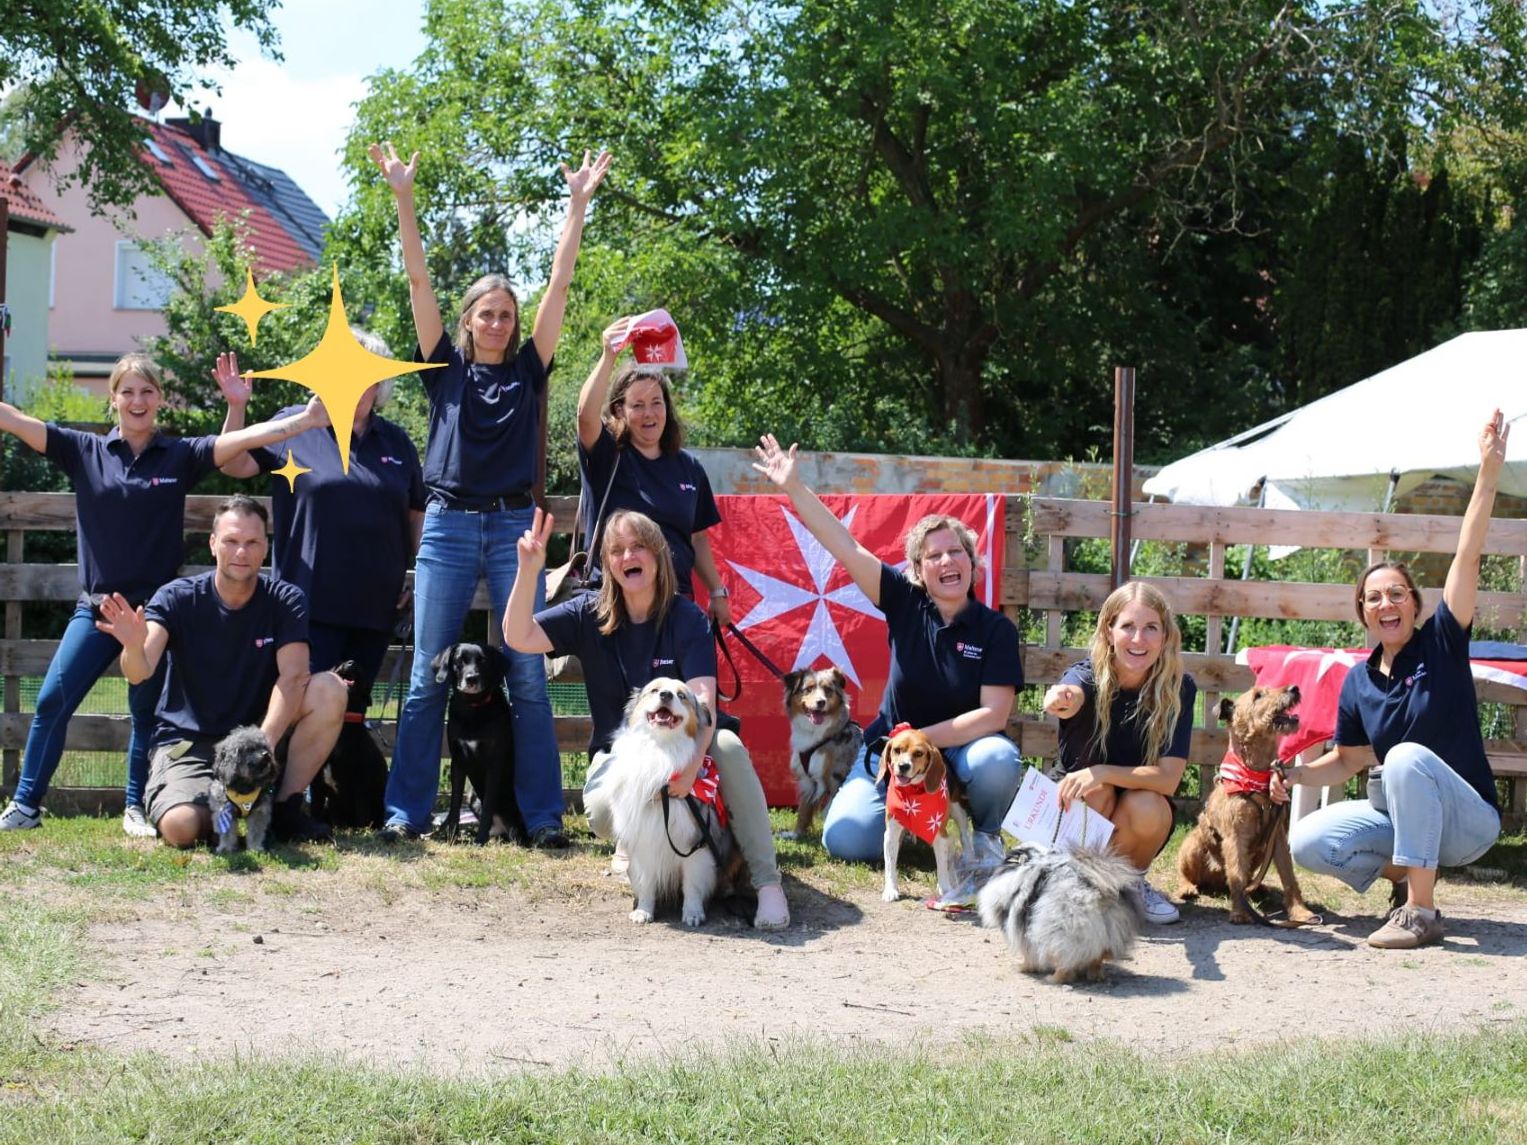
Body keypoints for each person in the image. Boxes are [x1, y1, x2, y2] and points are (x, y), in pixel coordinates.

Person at [369, 140, 611, 845]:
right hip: (446, 526)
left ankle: (540, 817)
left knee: (529, 676)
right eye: (488, 313)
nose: (500, 322)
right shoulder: (441, 368)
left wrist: (576, 206)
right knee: (425, 677)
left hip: (515, 531)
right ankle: (404, 813)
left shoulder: (531, 370)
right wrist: (404, 199)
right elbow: (418, 284)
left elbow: (560, 284)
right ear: (469, 320)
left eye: (507, 312)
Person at [0, 353, 288, 837]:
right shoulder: (82, 450)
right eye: (128, 391)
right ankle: (26, 805)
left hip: (156, 615)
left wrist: (276, 415)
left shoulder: (179, 455)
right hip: (96, 611)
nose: (138, 400)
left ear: (159, 400)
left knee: (145, 714)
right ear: (113, 398)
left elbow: (237, 445)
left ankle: (135, 806)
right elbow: (14, 419)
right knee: (52, 701)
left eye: (148, 391)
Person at [752, 434, 1024, 902]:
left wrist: (920, 745)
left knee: (997, 759)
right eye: (933, 555)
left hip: (957, 754)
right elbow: (845, 546)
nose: (946, 562)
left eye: (955, 552)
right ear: (919, 570)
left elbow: (994, 717)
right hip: (889, 752)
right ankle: (916, 822)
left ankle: (984, 838)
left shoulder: (996, 629)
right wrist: (794, 487)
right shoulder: (903, 600)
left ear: (973, 562)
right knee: (845, 839)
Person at [1275, 411, 1508, 950]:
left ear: (1415, 604)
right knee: (1311, 840)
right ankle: (1408, 871)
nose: (1386, 603)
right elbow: (1351, 759)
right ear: (1363, 612)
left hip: (1469, 819)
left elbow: (1468, 553)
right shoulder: (1358, 680)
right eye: (1374, 597)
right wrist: (1294, 776)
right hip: (1406, 819)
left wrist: (1488, 472)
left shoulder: (1442, 643)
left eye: (1397, 594)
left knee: (1402, 755)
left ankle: (1420, 912)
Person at [502, 508, 790, 929]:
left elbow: (704, 702)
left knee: (728, 745)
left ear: (657, 555)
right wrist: (528, 571)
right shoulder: (587, 612)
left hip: (692, 744)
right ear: (606, 563)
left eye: (638, 546)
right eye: (616, 550)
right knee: (601, 811)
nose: (627, 556)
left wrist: (691, 770)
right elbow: (517, 637)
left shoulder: (687, 617)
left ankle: (767, 885)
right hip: (623, 751)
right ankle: (635, 844)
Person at [92, 495, 346, 847]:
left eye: (252, 542)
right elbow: (138, 672)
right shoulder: (175, 597)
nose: (241, 552)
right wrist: (133, 647)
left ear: (264, 549)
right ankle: (233, 808)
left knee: (329, 688)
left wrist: (261, 750)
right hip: (190, 743)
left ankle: (284, 808)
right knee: (180, 828)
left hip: (254, 736)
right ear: (213, 544)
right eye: (231, 541)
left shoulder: (287, 599)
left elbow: (294, 677)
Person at [219, 330, 426, 715]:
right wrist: (236, 407)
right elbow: (231, 463)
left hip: (375, 609)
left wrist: (422, 576)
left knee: (350, 719)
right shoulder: (295, 425)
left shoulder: (397, 443)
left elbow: (417, 517)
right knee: (299, 712)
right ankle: (292, 780)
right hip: (306, 606)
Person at [1043, 581, 1198, 925]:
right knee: (1097, 791)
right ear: (1109, 632)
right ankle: (1072, 885)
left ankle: (1128, 886)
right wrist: (1059, 699)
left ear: (1165, 636)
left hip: (1133, 813)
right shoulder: (1085, 677)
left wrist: (1102, 771)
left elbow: (1169, 779)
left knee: (1147, 805)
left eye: (1150, 628)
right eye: (1127, 626)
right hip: (1074, 807)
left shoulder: (1179, 688)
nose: (1139, 639)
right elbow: (1068, 694)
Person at [574, 318, 730, 624]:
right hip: (617, 604)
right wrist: (609, 356)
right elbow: (585, 417)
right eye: (638, 405)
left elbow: (696, 539)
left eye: (656, 403)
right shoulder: (607, 455)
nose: (649, 413)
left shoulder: (689, 468)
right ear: (620, 410)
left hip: (675, 605)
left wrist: (716, 591)